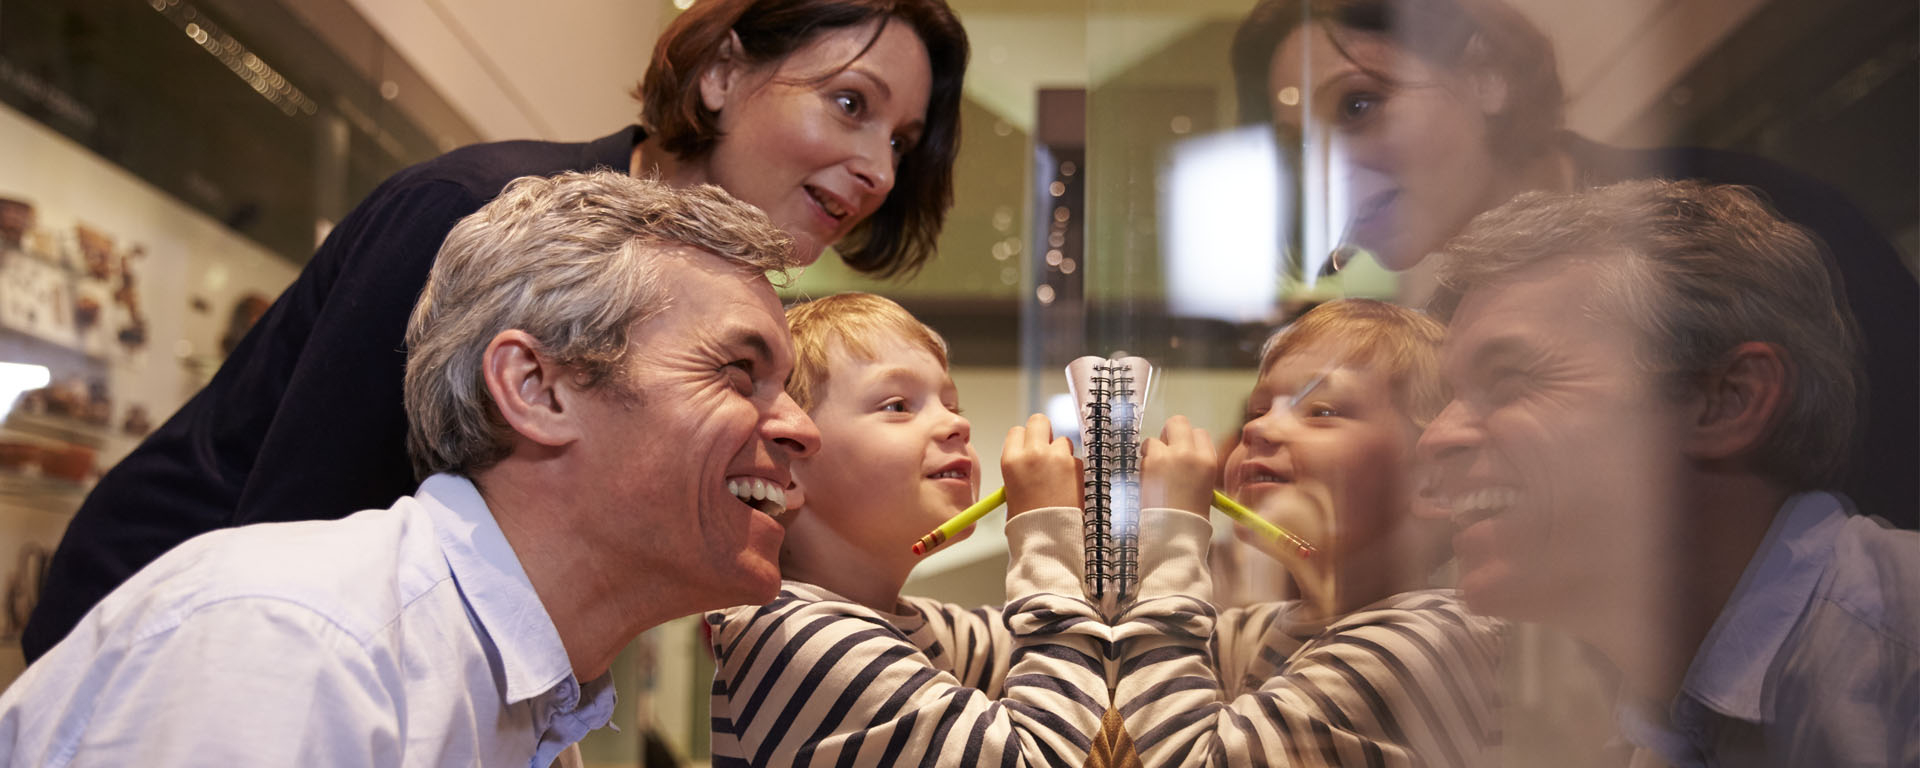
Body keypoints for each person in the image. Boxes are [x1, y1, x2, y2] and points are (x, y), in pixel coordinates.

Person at [24, 0, 971, 662]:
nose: (878, 169)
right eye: (851, 104)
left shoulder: (701, 281)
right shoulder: (471, 211)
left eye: (900, 140)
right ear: (724, 74)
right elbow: (302, 535)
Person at [0, 171, 823, 765]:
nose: (799, 429)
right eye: (735, 372)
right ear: (536, 389)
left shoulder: (529, 707)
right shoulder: (297, 645)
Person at [1228, 0, 1917, 527]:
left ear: (1485, 78)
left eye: (1358, 105)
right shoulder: (1446, 328)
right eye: (1299, 147)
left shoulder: (1738, 223)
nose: (1321, 176)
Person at [1416, 179, 1918, 767]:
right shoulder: (1665, 715)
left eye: (1510, 379)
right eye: (1449, 396)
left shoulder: (1899, 662)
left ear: (1728, 401)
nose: (1435, 439)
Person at [706, 292, 1220, 766]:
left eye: (952, 405)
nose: (958, 425)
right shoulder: (797, 638)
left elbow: (1105, 651)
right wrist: (1049, 529)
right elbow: (1064, 756)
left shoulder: (911, 625)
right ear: (788, 469)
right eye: (898, 406)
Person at [1112, 299, 1504, 767]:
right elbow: (1111, 656)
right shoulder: (1275, 628)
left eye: (1322, 411)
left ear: (1434, 482)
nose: (1258, 429)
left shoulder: (1421, 645)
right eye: (1259, 409)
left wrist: (1169, 532)